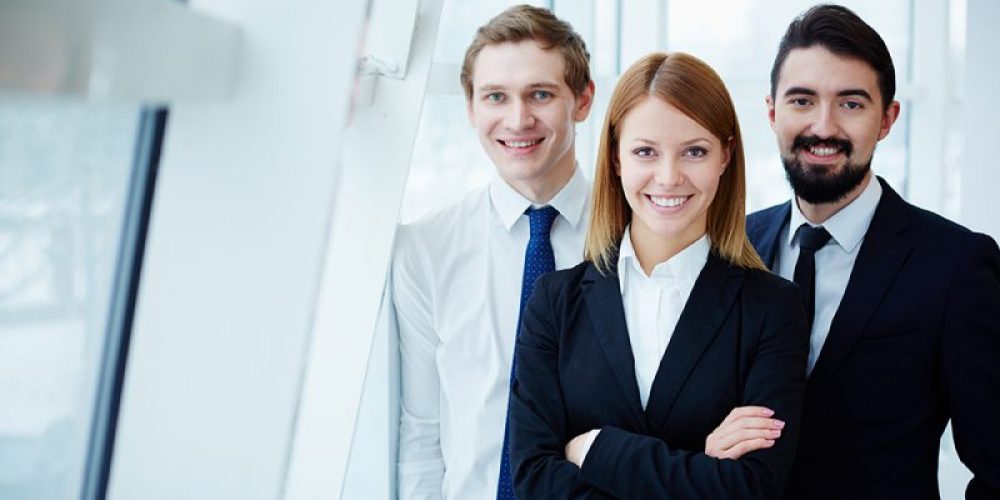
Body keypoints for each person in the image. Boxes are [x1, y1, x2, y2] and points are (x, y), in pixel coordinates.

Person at [509, 51, 809, 499]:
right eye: (645, 151)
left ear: (725, 157)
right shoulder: (555, 302)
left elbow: (752, 488)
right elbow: (534, 481)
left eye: (694, 151)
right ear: (615, 158)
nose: (668, 177)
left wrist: (596, 449)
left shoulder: (773, 308)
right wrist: (699, 466)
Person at [743, 4, 1000, 498]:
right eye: (802, 101)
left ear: (887, 119)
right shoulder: (735, 246)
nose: (824, 126)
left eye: (851, 103)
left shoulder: (955, 266)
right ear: (772, 112)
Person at [392, 5, 595, 499]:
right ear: (470, 107)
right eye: (495, 97)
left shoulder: (633, 238)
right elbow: (421, 434)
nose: (517, 119)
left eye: (540, 94)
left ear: (583, 100)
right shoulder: (426, 248)